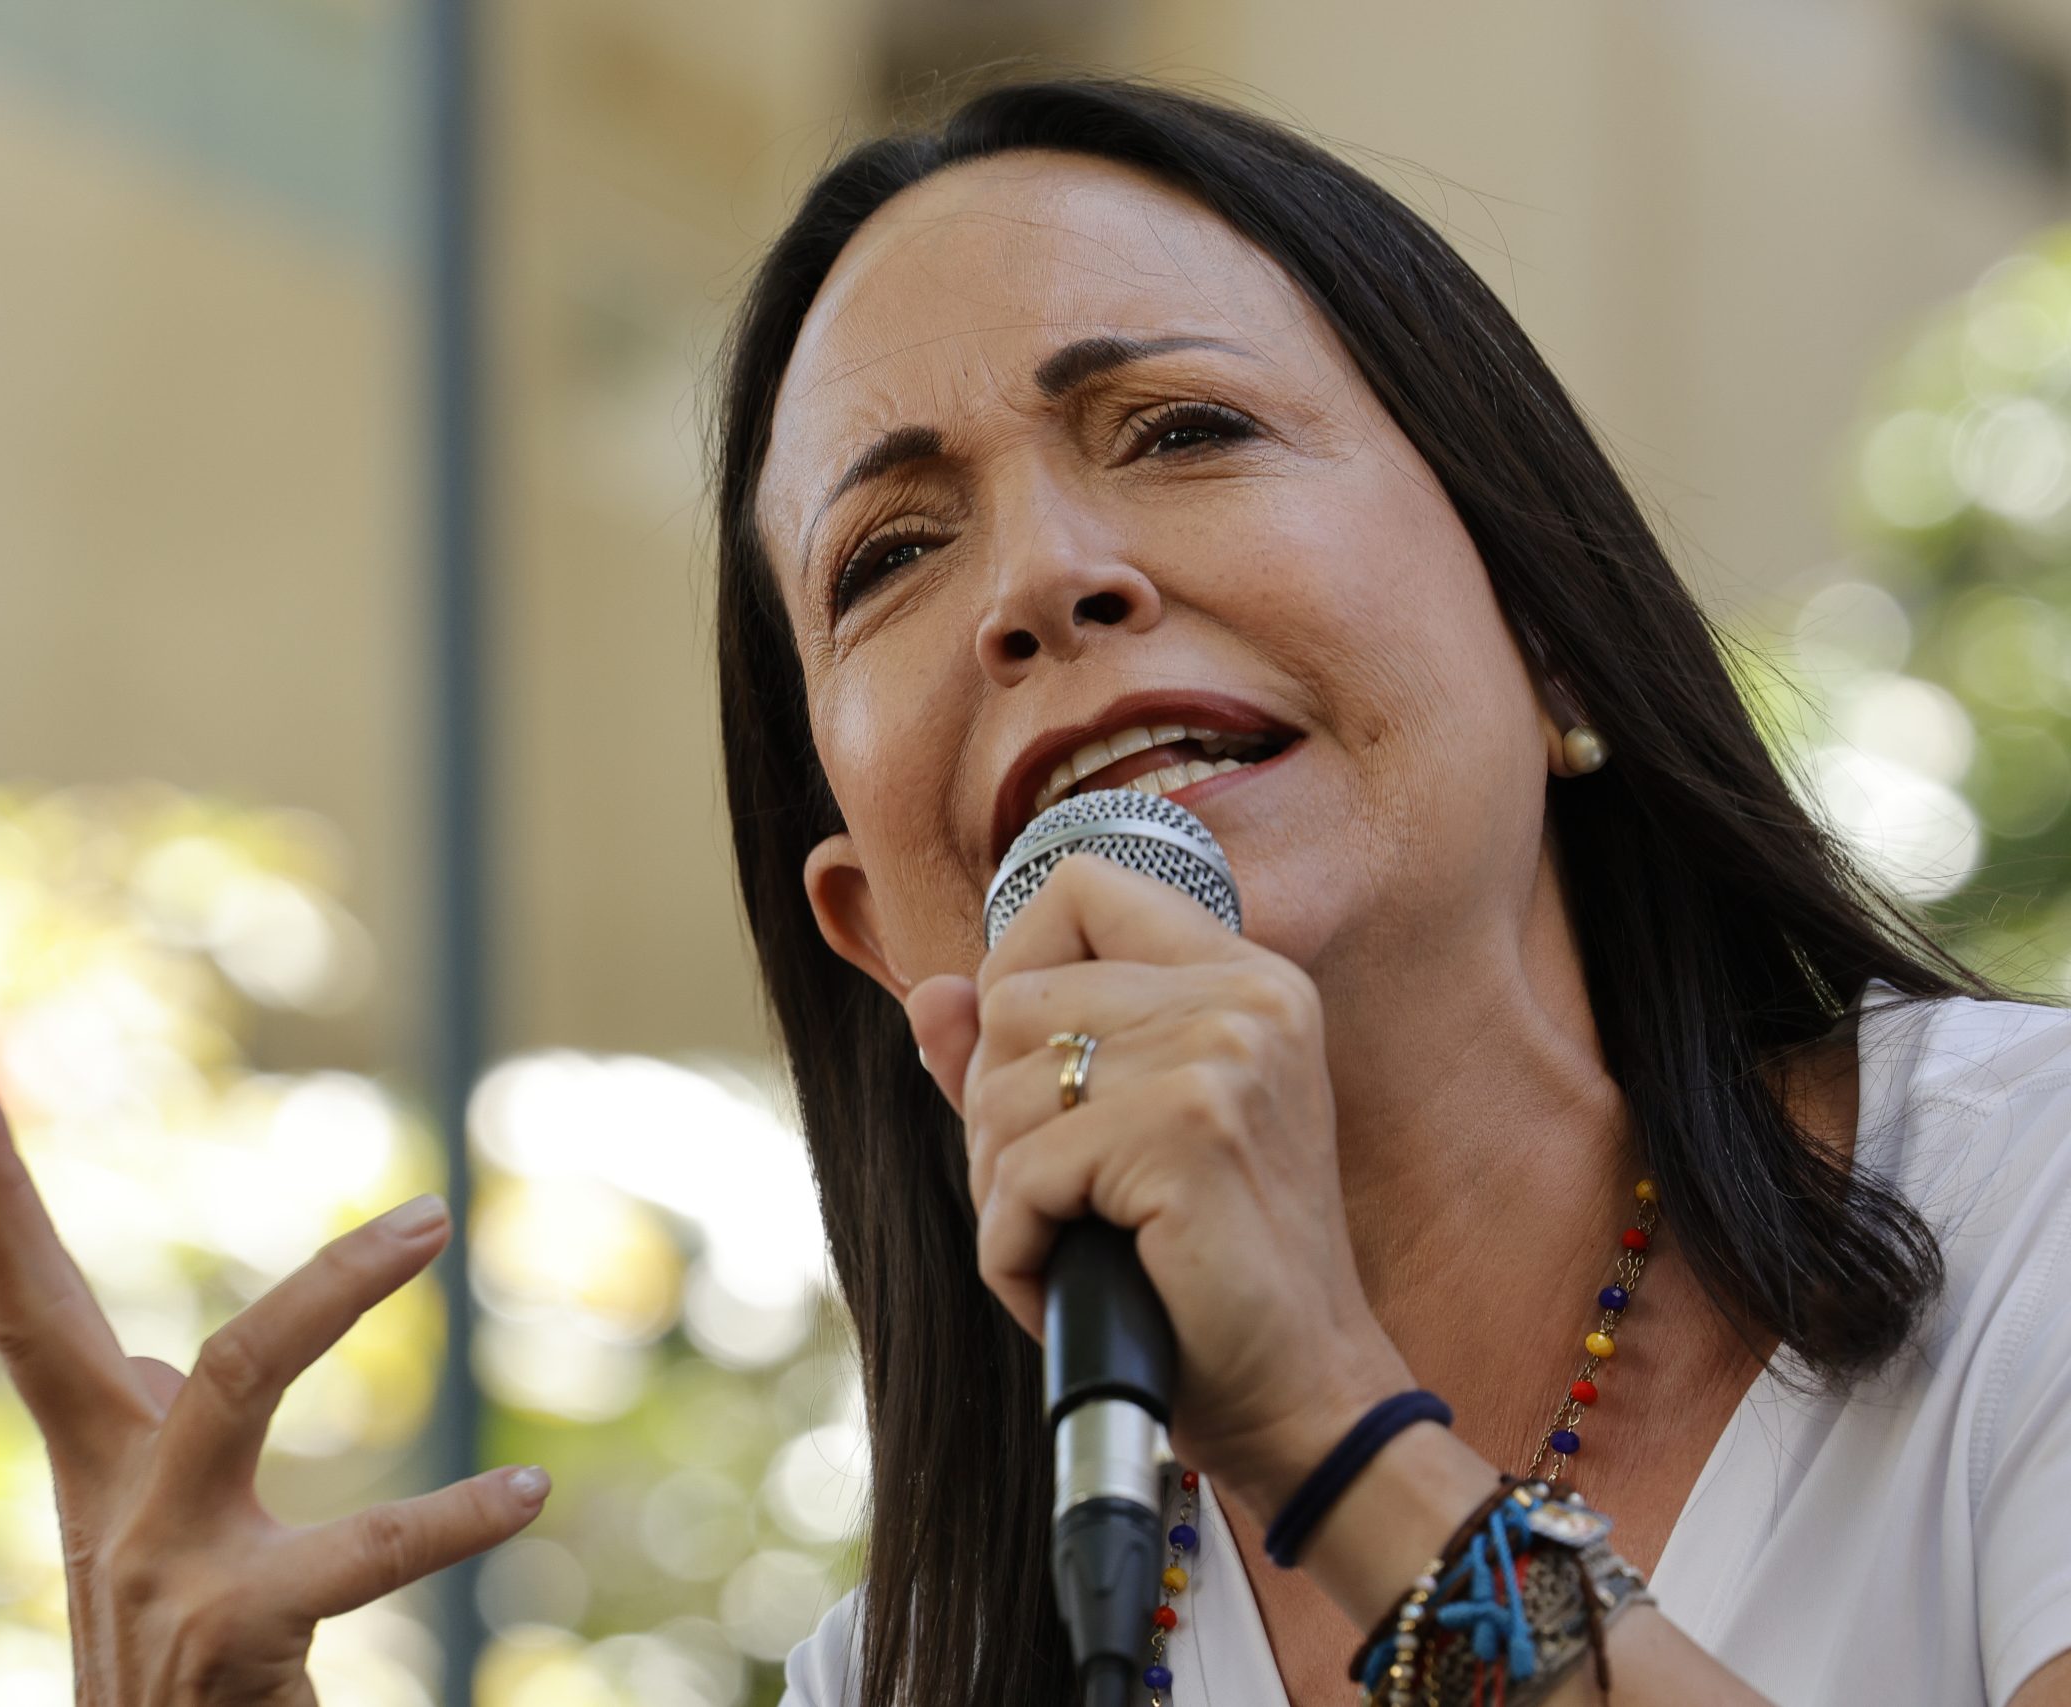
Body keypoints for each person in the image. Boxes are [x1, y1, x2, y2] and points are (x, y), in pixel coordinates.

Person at [708, 76, 2071, 1707]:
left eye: (1183, 428)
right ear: (878, 928)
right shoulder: (910, 1675)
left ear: (1552, 630)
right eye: (890, 555)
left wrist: (1339, 1448)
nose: (1038, 581)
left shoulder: (2030, 1219)